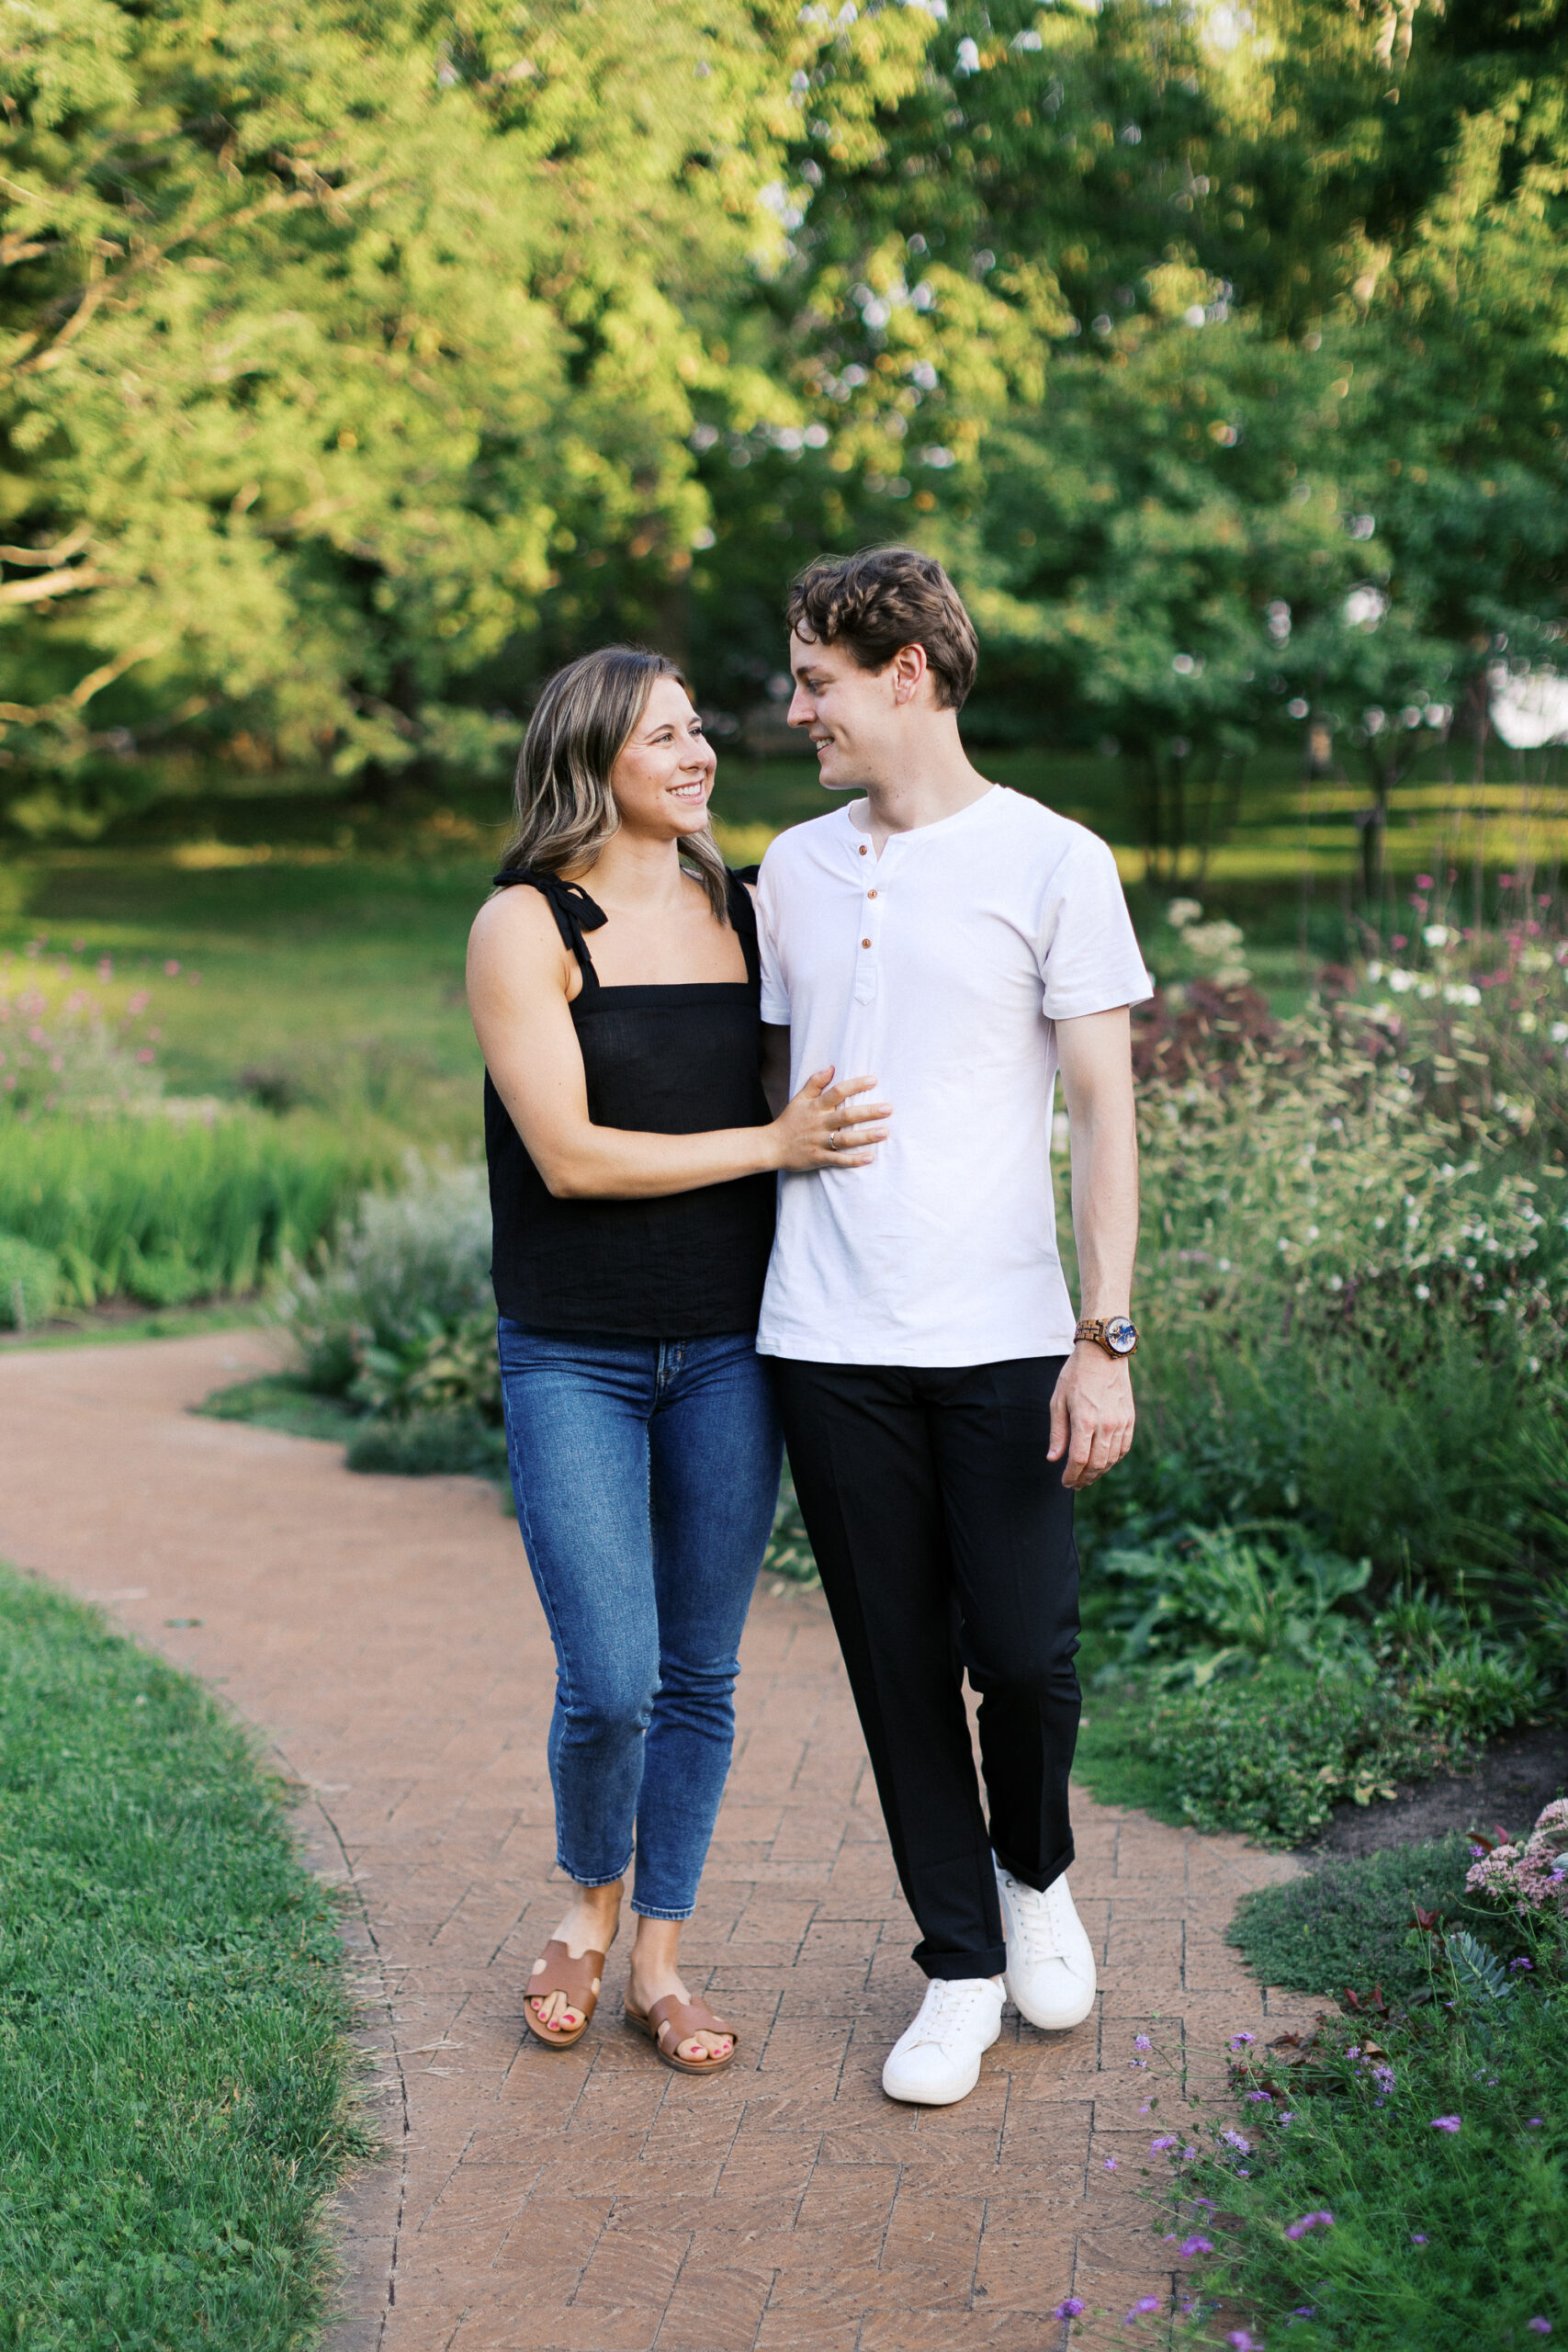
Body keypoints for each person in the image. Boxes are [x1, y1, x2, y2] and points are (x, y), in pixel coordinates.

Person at [753, 548, 1150, 2106]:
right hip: (826, 1340)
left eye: (819, 681)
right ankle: (959, 1965)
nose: (799, 713)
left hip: (1000, 1335)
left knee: (1029, 1656)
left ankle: (1032, 1873)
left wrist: (1102, 1336)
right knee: (895, 1664)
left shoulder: (1057, 860)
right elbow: (763, 1095)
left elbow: (1106, 1112)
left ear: (905, 668)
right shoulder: (791, 867)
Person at [467, 645, 889, 2072]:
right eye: (667, 735)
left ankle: (658, 1956)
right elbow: (573, 1160)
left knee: (701, 1672)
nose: (702, 752)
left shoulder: (747, 911)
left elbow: (823, 1080)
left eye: (702, 728)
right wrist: (768, 1149)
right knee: (611, 1678)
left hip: (730, 1346)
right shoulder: (525, 926)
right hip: (571, 1354)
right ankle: (585, 1906)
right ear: (593, 760)